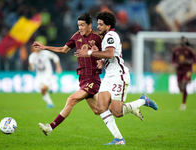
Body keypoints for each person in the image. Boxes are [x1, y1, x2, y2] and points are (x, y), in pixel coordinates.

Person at [75, 11, 158, 145]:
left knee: (117, 112)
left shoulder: (111, 35)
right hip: (109, 76)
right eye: (98, 24)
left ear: (108, 25)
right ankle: (118, 139)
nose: (98, 27)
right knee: (101, 107)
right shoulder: (106, 37)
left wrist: (89, 52)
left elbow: (110, 53)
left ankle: (143, 100)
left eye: (101, 24)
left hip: (119, 76)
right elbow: (109, 55)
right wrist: (101, 60)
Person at [32, 13, 103, 136]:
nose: (80, 28)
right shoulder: (76, 36)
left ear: (90, 25)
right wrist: (45, 47)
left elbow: (108, 54)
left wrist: (101, 60)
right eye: (78, 25)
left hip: (93, 79)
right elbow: (63, 50)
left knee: (71, 99)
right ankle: (130, 107)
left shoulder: (97, 38)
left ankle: (50, 127)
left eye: (82, 25)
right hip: (83, 79)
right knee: (98, 110)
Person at [28, 44, 62, 108]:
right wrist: (30, 66)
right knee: (42, 90)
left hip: (47, 73)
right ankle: (50, 103)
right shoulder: (32, 56)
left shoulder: (46, 53)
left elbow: (55, 57)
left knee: (43, 87)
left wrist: (58, 67)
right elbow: (31, 69)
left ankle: (49, 88)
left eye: (38, 46)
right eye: (35, 47)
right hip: (39, 75)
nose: (37, 48)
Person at [172, 36, 196, 110]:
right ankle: (184, 93)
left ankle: (183, 104)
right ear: (180, 41)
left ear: (185, 41)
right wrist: (174, 64)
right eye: (181, 40)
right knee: (180, 87)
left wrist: (189, 62)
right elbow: (173, 60)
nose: (182, 41)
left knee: (184, 85)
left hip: (187, 70)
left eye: (183, 40)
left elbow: (194, 59)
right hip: (179, 71)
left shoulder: (189, 50)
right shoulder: (176, 50)